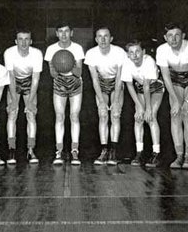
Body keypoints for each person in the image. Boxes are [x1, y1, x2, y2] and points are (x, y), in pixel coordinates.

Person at [156, 23, 188, 169]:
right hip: (174, 81)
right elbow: (166, 77)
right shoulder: (161, 49)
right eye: (170, 35)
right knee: (175, 115)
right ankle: (179, 155)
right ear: (165, 37)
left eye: (177, 35)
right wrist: (175, 100)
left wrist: (187, 100)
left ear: (183, 36)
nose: (173, 39)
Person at [84, 27, 126, 165]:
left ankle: (113, 151)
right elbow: (95, 79)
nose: (103, 39)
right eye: (100, 36)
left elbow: (120, 77)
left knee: (115, 114)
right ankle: (104, 150)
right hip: (101, 83)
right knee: (103, 114)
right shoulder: (91, 53)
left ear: (111, 38)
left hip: (116, 83)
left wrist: (115, 100)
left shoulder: (119, 52)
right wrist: (102, 102)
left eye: (106, 36)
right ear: (96, 39)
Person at [44, 23, 85, 165]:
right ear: (56, 33)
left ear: (71, 33)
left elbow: (79, 72)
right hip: (59, 82)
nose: (63, 34)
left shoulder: (77, 48)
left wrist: (68, 63)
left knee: (74, 116)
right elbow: (52, 73)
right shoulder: (51, 49)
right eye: (60, 31)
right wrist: (59, 65)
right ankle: (59, 151)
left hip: (75, 82)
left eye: (66, 31)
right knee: (59, 116)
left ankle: (75, 150)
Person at [121, 40, 165, 167]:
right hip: (140, 89)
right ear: (128, 54)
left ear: (143, 52)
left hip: (155, 87)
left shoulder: (149, 61)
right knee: (138, 118)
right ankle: (139, 153)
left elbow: (147, 86)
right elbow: (129, 86)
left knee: (151, 117)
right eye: (131, 52)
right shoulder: (127, 63)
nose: (135, 55)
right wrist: (139, 107)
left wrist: (148, 109)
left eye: (138, 51)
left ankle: (156, 153)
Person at [4, 30, 43, 164]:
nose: (23, 42)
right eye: (20, 39)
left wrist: (30, 102)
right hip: (14, 80)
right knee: (12, 114)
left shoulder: (37, 54)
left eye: (27, 39)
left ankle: (31, 150)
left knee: (31, 114)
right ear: (16, 41)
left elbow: (36, 79)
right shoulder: (9, 53)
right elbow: (10, 77)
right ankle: (11, 149)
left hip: (29, 81)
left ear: (31, 41)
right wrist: (14, 101)